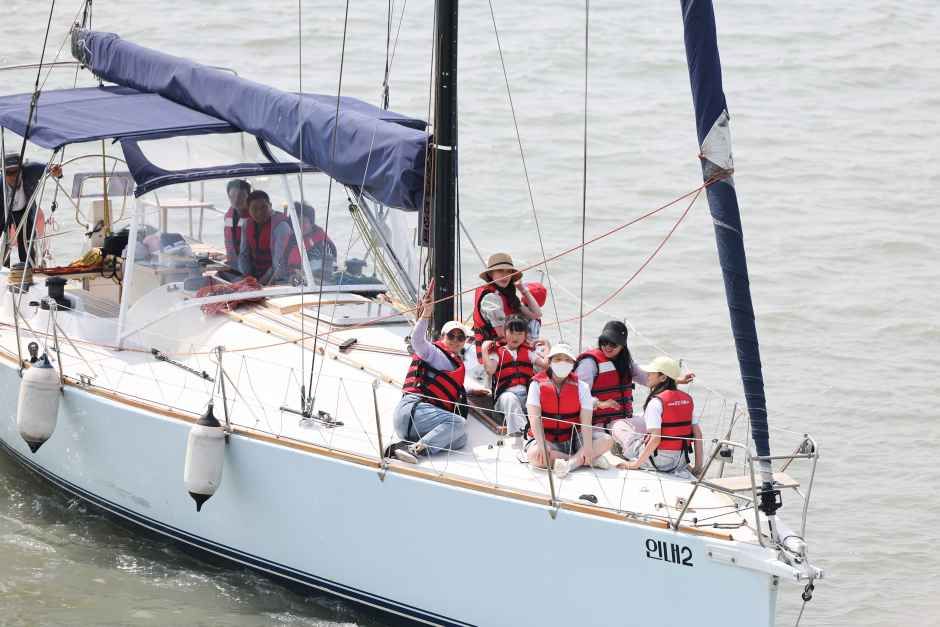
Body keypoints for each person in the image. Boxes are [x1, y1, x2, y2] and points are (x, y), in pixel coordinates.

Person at [575, 320, 694, 458]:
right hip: (598, 425)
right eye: (604, 342)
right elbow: (577, 394)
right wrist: (600, 404)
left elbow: (647, 378)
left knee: (656, 421)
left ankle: (673, 453)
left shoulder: (625, 361)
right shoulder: (589, 363)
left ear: (622, 345)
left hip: (622, 421)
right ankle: (640, 455)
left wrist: (676, 379)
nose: (607, 346)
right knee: (619, 427)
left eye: (613, 344)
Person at [391, 281, 468, 464]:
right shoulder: (434, 353)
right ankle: (414, 449)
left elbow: (446, 384)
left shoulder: (453, 363)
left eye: (461, 337)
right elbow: (417, 340)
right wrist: (427, 313)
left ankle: (406, 446)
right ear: (442, 337)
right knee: (458, 423)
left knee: (461, 440)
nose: (455, 340)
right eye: (451, 336)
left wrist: (470, 392)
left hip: (415, 424)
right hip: (414, 410)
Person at [525, 343, 611, 477]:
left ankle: (571, 464)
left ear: (573, 363)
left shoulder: (582, 387)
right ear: (550, 361)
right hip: (547, 439)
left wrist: (588, 446)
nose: (562, 363)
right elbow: (534, 418)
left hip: (573, 437)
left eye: (567, 360)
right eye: (558, 359)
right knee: (534, 455)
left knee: (607, 440)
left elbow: (586, 421)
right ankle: (587, 459)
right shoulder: (536, 385)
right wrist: (542, 445)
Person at [618, 356, 704, 476]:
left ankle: (627, 455)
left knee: (619, 427)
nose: (647, 374)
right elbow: (698, 434)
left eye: (651, 372)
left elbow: (655, 439)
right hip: (680, 461)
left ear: (663, 377)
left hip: (657, 462)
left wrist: (635, 464)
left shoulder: (656, 402)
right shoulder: (687, 400)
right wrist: (698, 467)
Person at [481, 314, 548, 438]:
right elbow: (490, 370)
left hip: (526, 397)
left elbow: (546, 365)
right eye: (511, 332)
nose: (515, 337)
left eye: (519, 334)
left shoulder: (528, 353)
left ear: (525, 335)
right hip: (504, 399)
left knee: (542, 396)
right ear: (505, 333)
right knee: (510, 399)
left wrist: (547, 345)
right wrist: (484, 349)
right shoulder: (498, 352)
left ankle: (545, 431)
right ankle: (522, 434)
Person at [471, 253, 542, 362]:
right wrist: (530, 350)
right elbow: (502, 335)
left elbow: (536, 315)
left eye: (508, 272)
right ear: (491, 274)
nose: (505, 275)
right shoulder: (491, 298)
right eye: (500, 271)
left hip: (510, 345)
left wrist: (523, 289)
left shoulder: (508, 294)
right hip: (494, 353)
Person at [2, 154, 61, 266]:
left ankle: (29, 271)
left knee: (26, 243)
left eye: (16, 171)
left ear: (22, 169)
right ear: (2, 173)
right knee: (3, 244)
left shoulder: (31, 170)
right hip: (4, 211)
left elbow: (51, 168)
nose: (12, 176)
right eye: (8, 173)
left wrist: (57, 172)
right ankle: (4, 271)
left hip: (25, 210)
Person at [237, 190, 294, 285]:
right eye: (255, 209)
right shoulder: (246, 225)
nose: (260, 212)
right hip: (256, 275)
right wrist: (247, 277)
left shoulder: (281, 226)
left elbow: (279, 263)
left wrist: (262, 284)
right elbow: (243, 255)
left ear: (270, 205)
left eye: (264, 207)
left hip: (280, 277)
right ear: (248, 209)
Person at [223, 179, 251, 265]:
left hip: (251, 265)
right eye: (233, 196)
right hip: (233, 263)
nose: (236, 200)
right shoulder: (229, 215)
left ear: (248, 196)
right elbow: (228, 238)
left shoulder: (255, 216)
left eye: (241, 196)